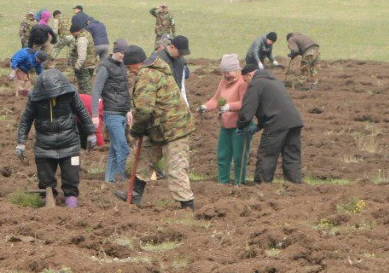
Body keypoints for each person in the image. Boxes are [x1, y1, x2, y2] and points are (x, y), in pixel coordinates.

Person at [115, 44, 197, 210]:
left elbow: (144, 109)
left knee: (176, 168)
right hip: (158, 127)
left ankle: (187, 206)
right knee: (144, 158)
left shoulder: (147, 74)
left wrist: (136, 129)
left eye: (130, 69)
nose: (131, 73)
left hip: (175, 129)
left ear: (136, 64)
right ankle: (135, 195)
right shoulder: (154, 70)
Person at [15, 68, 96, 208]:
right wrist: (21, 142)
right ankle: (49, 205)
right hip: (44, 146)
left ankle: (71, 207)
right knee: (46, 181)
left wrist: (91, 133)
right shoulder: (35, 98)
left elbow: (82, 112)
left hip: (70, 143)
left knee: (71, 179)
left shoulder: (70, 94)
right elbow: (26, 119)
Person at [237, 63, 305, 184]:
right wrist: (258, 126)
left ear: (250, 75)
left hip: (276, 124)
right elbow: (272, 106)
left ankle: (262, 187)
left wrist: (240, 125)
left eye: (245, 80)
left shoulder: (256, 83)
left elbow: (247, 111)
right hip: (294, 121)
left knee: (267, 156)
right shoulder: (274, 81)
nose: (246, 83)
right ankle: (294, 188)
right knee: (292, 157)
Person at [198, 54, 249, 185]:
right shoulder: (223, 82)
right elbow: (216, 100)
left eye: (228, 72)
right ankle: (222, 183)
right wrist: (205, 106)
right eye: (224, 72)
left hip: (240, 126)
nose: (226, 75)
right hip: (225, 125)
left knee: (239, 157)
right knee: (222, 156)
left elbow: (244, 103)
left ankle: (239, 184)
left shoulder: (243, 83)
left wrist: (229, 107)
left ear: (237, 69)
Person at [91, 39, 132, 183]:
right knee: (123, 147)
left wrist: (128, 110)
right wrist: (95, 115)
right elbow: (96, 91)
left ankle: (109, 181)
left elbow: (125, 90)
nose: (123, 56)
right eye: (121, 52)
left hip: (122, 113)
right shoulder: (105, 67)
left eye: (125, 53)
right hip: (111, 113)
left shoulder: (123, 67)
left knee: (115, 149)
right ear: (115, 51)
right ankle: (122, 179)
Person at [151, 35, 191, 106]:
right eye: (180, 53)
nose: (181, 56)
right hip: (160, 104)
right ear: (172, 47)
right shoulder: (156, 60)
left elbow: (181, 86)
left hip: (175, 103)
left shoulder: (181, 61)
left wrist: (185, 105)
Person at [68, 13, 99, 93]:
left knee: (85, 88)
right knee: (87, 85)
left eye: (72, 34)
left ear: (75, 32)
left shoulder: (82, 39)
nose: (73, 36)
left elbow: (82, 56)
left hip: (84, 67)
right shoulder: (86, 33)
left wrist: (77, 67)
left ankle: (86, 103)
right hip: (90, 64)